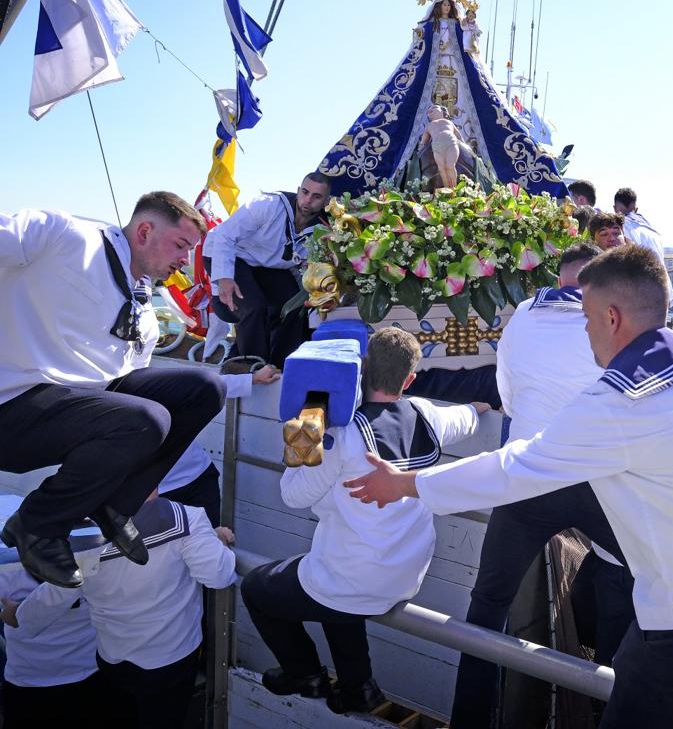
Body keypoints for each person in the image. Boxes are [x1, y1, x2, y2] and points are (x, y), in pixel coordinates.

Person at [345, 244, 673, 729]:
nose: (584, 333)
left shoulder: (619, 401)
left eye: (585, 319)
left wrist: (405, 483)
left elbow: (513, 468)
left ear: (610, 317)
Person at [241, 328, 484, 716]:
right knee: (334, 577)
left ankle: (304, 673)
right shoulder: (429, 414)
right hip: (406, 575)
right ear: (409, 380)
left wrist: (304, 430)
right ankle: (358, 687)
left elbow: (293, 496)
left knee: (257, 588)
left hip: (355, 577)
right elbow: (468, 418)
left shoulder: (340, 434)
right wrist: (478, 409)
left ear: (361, 369)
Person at [0, 193, 227, 588]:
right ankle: (37, 524)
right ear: (144, 230)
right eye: (181, 245)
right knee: (145, 419)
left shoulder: (146, 315)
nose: (184, 261)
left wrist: (139, 471)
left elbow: (132, 389)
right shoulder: (62, 235)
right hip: (13, 406)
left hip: (76, 412)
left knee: (205, 387)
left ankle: (117, 503)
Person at [450, 242, 634, 729]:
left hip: (528, 475)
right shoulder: (609, 321)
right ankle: (608, 703)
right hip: (594, 479)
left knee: (486, 604)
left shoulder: (522, 317)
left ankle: (469, 716)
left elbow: (507, 398)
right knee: (628, 575)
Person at [7, 495, 237, 729]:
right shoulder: (188, 520)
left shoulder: (82, 534)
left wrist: (17, 615)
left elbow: (55, 596)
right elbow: (219, 575)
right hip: (172, 660)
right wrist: (217, 542)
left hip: (112, 658)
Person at [204, 171, 331, 366]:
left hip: (264, 266)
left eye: (316, 197)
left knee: (294, 307)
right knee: (253, 307)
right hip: (229, 254)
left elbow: (302, 270)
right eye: (305, 192)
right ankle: (252, 368)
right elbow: (225, 235)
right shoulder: (267, 206)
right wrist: (224, 278)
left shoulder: (322, 230)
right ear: (298, 191)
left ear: (325, 201)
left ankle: (283, 365)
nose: (307, 200)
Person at [159, 361, 280, 528]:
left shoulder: (140, 381)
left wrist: (252, 379)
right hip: (154, 493)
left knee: (210, 541)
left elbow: (203, 385)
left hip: (197, 477)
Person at [0, 566, 101, 728]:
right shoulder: (99, 552)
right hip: (89, 672)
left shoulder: (6, 565)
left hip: (27, 681)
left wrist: (18, 614)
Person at [613, 187, 673, 306]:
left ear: (615, 208)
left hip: (639, 295)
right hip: (662, 293)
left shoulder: (620, 229)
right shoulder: (654, 232)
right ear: (636, 209)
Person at [418, 104, 466, 190]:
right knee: (441, 168)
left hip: (450, 142)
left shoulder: (449, 122)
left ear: (443, 112)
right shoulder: (429, 126)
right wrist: (419, 150)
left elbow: (459, 137)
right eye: (428, 111)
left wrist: (465, 146)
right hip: (436, 145)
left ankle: (454, 189)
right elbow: (423, 141)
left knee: (450, 165)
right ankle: (447, 189)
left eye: (434, 108)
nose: (430, 111)